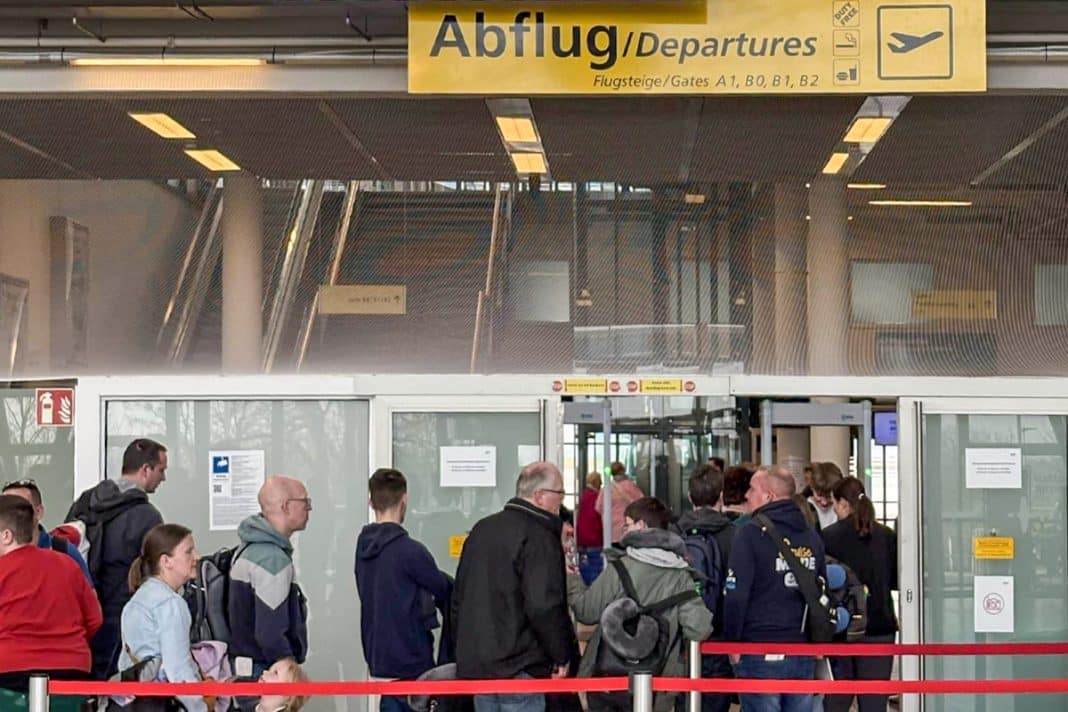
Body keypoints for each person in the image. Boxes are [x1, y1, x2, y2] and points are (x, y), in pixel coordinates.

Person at [568, 497, 712, 712]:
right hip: (659, 683)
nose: (623, 529)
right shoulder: (681, 576)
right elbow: (699, 628)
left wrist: (573, 580)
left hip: (609, 681)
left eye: (627, 524)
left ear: (642, 525)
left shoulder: (620, 568)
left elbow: (586, 612)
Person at [452, 462, 575, 712]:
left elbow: (459, 598)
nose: (561, 502)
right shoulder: (539, 536)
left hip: (480, 668)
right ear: (540, 496)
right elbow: (544, 605)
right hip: (522, 667)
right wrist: (561, 655)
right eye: (559, 494)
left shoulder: (481, 529)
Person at [723, 464, 827, 712]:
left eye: (752, 489)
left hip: (758, 647)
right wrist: (818, 641)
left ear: (768, 496)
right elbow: (821, 591)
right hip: (801, 648)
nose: (746, 495)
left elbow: (736, 596)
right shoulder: (811, 536)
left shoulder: (749, 535)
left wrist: (732, 643)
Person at [67, 438, 167, 679]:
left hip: (80, 612)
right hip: (121, 614)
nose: (163, 478)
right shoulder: (147, 516)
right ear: (146, 469)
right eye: (161, 470)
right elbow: (156, 576)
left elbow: (67, 546)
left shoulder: (85, 503)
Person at [356, 468, 450, 712]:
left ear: (370, 501)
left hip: (379, 658)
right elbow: (444, 591)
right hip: (411, 660)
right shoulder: (410, 551)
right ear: (404, 499)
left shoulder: (363, 549)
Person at [0, 494, 101, 691]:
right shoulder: (68, 564)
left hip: (9, 669)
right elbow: (94, 619)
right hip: (72, 667)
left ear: (6, 536)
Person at [229, 475, 311, 709]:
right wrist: (288, 672)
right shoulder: (271, 560)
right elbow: (270, 633)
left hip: (246, 670)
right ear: (286, 506)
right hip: (264, 673)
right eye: (304, 501)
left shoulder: (249, 549)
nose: (309, 508)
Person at [821, 478, 898, 712]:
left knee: (836, 701)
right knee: (874, 702)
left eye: (834, 503)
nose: (834, 509)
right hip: (879, 625)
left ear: (843, 503)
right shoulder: (886, 536)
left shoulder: (828, 537)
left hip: (841, 627)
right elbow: (895, 579)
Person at [115, 523, 205, 712]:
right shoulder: (170, 603)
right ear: (166, 561)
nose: (197, 557)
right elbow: (177, 670)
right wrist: (199, 708)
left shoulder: (136, 600)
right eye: (188, 551)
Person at [674, 464, 737, 712]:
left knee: (684, 701)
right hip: (719, 635)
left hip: (682, 637)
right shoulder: (735, 535)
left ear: (690, 497)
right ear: (721, 496)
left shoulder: (674, 534)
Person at [3, 477, 91, 580]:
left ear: (39, 512)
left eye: (20, 509)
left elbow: (86, 589)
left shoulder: (63, 550)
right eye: (4, 509)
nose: (11, 515)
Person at [595, 462, 644, 545]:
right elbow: (642, 502)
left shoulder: (606, 488)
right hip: (627, 525)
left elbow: (598, 507)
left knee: (613, 550)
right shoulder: (630, 486)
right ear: (623, 471)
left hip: (611, 528)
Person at [576, 471, 604, 584]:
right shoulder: (596, 498)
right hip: (594, 540)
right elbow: (598, 518)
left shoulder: (584, 496)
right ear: (596, 482)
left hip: (582, 540)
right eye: (600, 482)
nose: (601, 484)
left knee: (585, 569)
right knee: (595, 575)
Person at [808, 462, 844, 531]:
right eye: (819, 495)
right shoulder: (804, 508)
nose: (824, 502)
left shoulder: (843, 510)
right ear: (812, 488)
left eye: (829, 497)